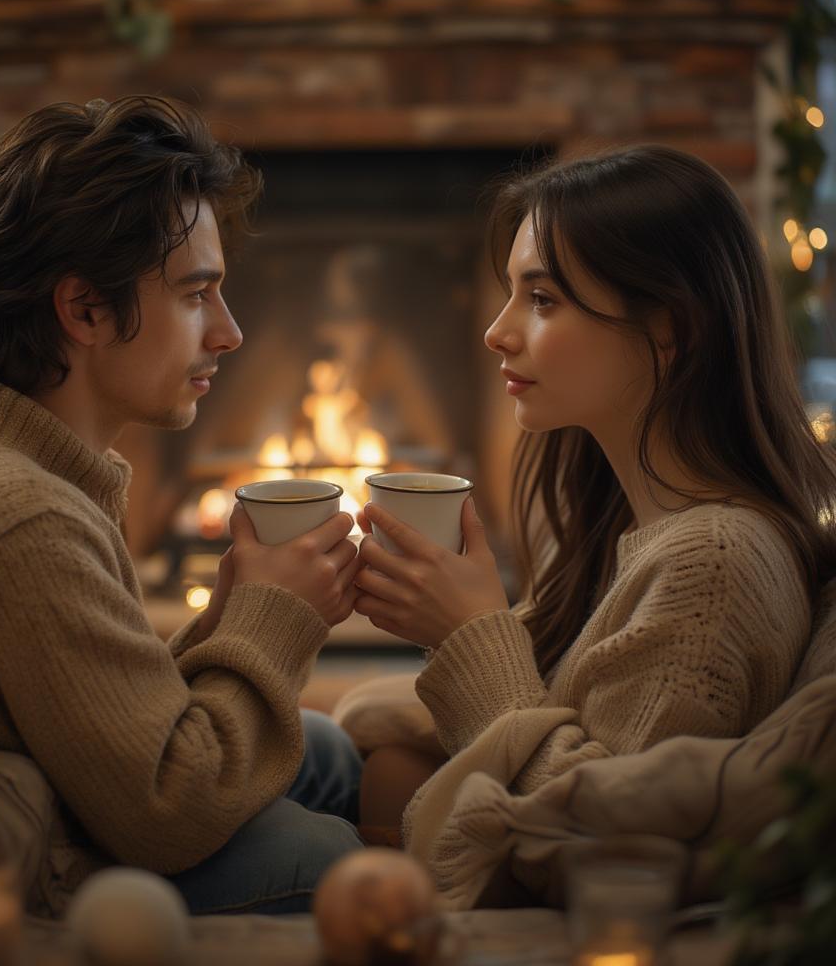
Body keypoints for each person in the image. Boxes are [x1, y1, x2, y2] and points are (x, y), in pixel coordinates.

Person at [0, 95, 364, 914]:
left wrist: (234, 619)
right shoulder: (20, 517)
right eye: (197, 295)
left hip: (68, 792)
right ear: (83, 308)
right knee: (330, 854)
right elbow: (168, 807)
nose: (228, 332)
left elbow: (92, 705)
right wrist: (280, 623)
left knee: (325, 747)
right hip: (48, 860)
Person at [349, 143, 836, 849]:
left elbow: (603, 845)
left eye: (542, 299)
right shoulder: (627, 526)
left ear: (670, 327)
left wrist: (471, 635)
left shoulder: (713, 564)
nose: (497, 331)